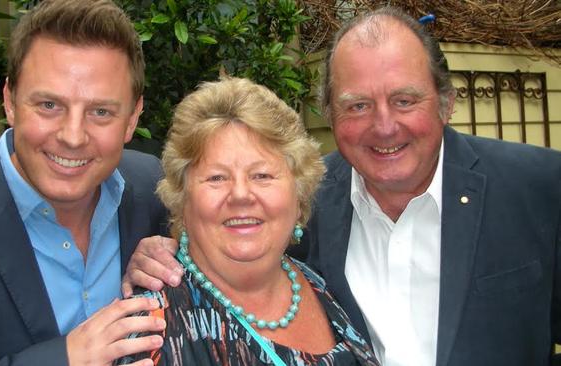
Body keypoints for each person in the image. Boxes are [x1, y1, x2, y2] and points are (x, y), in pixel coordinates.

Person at [123, 6, 561, 366]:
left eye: (404, 100)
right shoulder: (307, 200)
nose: (384, 126)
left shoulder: (539, 188)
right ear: (330, 114)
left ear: (445, 102)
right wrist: (160, 252)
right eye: (358, 105)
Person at [0, 0, 169, 365]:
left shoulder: (153, 189)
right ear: (10, 101)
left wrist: (178, 260)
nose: (73, 136)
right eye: (49, 105)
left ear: (132, 119)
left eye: (100, 112)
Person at [117, 77, 379, 365]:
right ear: (182, 197)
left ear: (298, 192)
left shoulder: (319, 281)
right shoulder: (149, 331)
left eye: (262, 176)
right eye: (217, 177)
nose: (241, 195)